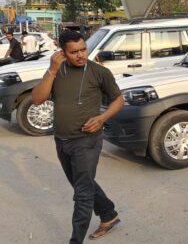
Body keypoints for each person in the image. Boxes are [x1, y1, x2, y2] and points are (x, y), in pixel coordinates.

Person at [30, 30, 124, 243]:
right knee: (81, 182)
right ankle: (109, 215)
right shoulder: (57, 71)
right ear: (62, 52)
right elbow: (37, 99)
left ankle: (76, 240)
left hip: (87, 141)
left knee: (82, 193)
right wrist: (52, 70)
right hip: (62, 140)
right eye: (74, 52)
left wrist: (101, 118)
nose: (81, 55)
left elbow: (118, 100)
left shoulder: (99, 72)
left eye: (83, 49)